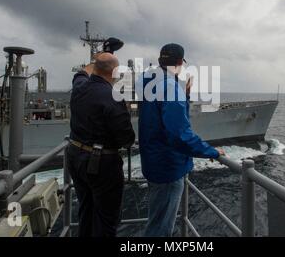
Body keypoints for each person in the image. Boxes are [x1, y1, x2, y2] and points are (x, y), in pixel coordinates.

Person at [138, 43, 225, 237]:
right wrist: (211, 151)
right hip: (168, 167)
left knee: (156, 221)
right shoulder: (170, 88)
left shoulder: (148, 81)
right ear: (179, 62)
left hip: (152, 162)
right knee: (161, 229)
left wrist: (182, 94)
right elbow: (180, 135)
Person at [66, 52, 135, 237]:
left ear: (95, 68)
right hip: (101, 165)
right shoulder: (113, 97)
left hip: (75, 157)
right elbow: (127, 140)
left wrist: (100, 57)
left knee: (86, 211)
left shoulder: (79, 86)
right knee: (106, 221)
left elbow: (80, 73)